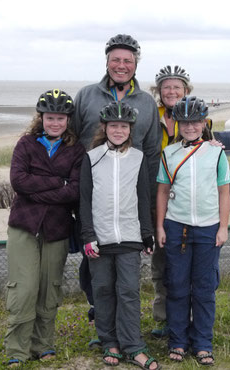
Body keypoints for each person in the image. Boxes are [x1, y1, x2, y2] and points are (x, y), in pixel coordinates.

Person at [71, 34, 161, 342]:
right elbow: (72, 143)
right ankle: (102, 322)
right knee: (93, 267)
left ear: (136, 63)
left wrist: (147, 203)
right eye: (116, 59)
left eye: (128, 60)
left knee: (126, 274)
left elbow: (151, 154)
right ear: (107, 62)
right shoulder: (86, 96)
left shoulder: (147, 103)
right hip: (92, 194)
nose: (121, 65)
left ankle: (123, 330)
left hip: (129, 199)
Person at [4, 89, 85, 367]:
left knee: (49, 288)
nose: (55, 123)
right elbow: (19, 183)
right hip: (24, 226)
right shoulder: (26, 144)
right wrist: (57, 182)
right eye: (50, 117)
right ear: (41, 118)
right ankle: (17, 349)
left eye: (60, 118)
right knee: (24, 288)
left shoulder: (76, 150)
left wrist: (41, 185)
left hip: (57, 228)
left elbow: (74, 191)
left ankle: (43, 345)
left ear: (67, 120)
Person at [79, 101, 161, 369]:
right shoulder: (91, 158)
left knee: (128, 291)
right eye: (113, 125)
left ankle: (133, 345)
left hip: (129, 236)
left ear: (130, 129)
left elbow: (142, 197)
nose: (118, 130)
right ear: (104, 127)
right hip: (99, 239)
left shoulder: (138, 158)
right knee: (103, 291)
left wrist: (147, 232)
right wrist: (88, 235)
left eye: (123, 126)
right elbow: (84, 200)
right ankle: (109, 342)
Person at [156, 96, 230, 365]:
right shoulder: (169, 153)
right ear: (177, 123)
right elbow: (163, 192)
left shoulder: (217, 152)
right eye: (185, 122)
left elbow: (224, 192)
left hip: (209, 228)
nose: (190, 127)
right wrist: (160, 227)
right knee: (176, 286)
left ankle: (202, 342)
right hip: (177, 227)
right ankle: (177, 341)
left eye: (195, 122)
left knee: (204, 288)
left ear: (204, 123)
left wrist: (223, 227)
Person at [149, 65, 217, 338]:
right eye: (167, 87)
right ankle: (166, 318)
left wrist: (217, 145)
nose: (172, 91)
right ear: (159, 91)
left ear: (186, 91)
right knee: (164, 264)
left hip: (193, 204)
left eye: (177, 87)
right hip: (160, 189)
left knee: (197, 269)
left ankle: (194, 320)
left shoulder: (202, 120)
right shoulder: (150, 116)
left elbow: (209, 151)